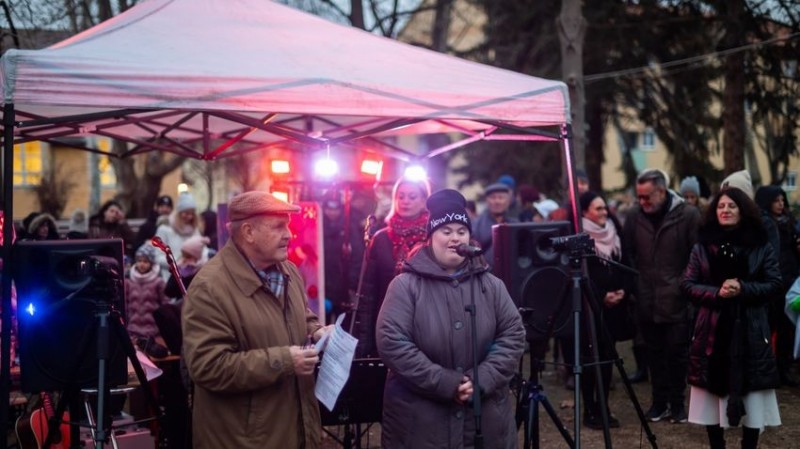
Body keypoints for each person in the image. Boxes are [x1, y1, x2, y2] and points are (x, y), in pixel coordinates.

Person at [376, 188, 525, 448]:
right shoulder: (405, 286)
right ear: (431, 236)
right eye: (446, 231)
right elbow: (393, 342)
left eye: (461, 231)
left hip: (484, 420)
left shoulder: (491, 285)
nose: (454, 238)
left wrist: (482, 380)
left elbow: (512, 335)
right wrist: (447, 383)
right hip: (421, 423)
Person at [182, 190, 332, 449]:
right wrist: (286, 360)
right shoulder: (210, 287)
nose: (289, 234)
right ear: (248, 232)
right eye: (278, 227)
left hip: (291, 429)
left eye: (287, 226)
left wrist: (317, 331)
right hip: (243, 439)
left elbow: (300, 317)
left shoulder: (289, 271)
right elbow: (208, 367)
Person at [681, 187, 782, 449]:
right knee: (711, 405)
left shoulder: (761, 245)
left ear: (743, 210)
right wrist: (717, 293)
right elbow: (688, 284)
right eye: (721, 206)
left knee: (753, 403)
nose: (725, 210)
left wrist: (743, 288)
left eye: (731, 206)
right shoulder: (702, 246)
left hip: (750, 332)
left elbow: (774, 283)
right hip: (712, 333)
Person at [622, 168, 701, 423]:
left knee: (677, 353)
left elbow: (696, 255)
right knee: (653, 353)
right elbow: (628, 253)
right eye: (639, 197)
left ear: (661, 191)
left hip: (677, 297)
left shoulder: (688, 215)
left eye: (647, 197)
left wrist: (683, 285)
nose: (642, 202)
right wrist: (636, 284)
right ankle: (659, 402)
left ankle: (677, 404)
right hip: (645, 297)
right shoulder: (634, 215)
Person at [353, 176, 430, 357]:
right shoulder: (380, 239)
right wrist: (365, 344)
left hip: (426, 326)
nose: (405, 201)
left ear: (424, 200)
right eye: (401, 196)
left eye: (412, 196)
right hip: (388, 323)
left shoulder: (432, 238)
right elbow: (368, 295)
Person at [578, 191, 637, 429]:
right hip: (589, 309)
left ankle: (604, 407)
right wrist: (601, 296)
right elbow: (582, 273)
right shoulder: (580, 235)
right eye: (597, 208)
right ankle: (590, 409)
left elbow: (626, 262)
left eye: (604, 208)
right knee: (591, 359)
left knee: (607, 359)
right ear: (585, 212)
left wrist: (624, 290)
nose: (604, 212)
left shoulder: (615, 230)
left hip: (615, 308)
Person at [755, 185, 800, 386]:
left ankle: (784, 369)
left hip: (789, 281)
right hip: (771, 284)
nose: (781, 204)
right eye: (776, 200)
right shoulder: (763, 224)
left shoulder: (789, 224)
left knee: (787, 330)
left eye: (783, 200)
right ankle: (768, 369)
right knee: (768, 328)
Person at [124, 244, 168, 351]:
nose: (142, 264)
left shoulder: (158, 283)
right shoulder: (129, 282)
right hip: (133, 332)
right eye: (139, 261)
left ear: (151, 263)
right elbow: (124, 305)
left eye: (145, 261)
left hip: (153, 333)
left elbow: (166, 306)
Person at [154, 192, 206, 279]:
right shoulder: (164, 229)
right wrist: (176, 263)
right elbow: (157, 256)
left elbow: (203, 250)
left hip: (193, 276)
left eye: (192, 213)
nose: (189, 217)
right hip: (170, 277)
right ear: (179, 213)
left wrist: (200, 261)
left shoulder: (194, 230)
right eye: (186, 213)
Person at [472, 182, 518, 266]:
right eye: (493, 197)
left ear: (508, 201)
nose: (497, 201)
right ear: (486, 200)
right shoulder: (476, 224)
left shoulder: (515, 224)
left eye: (501, 197)